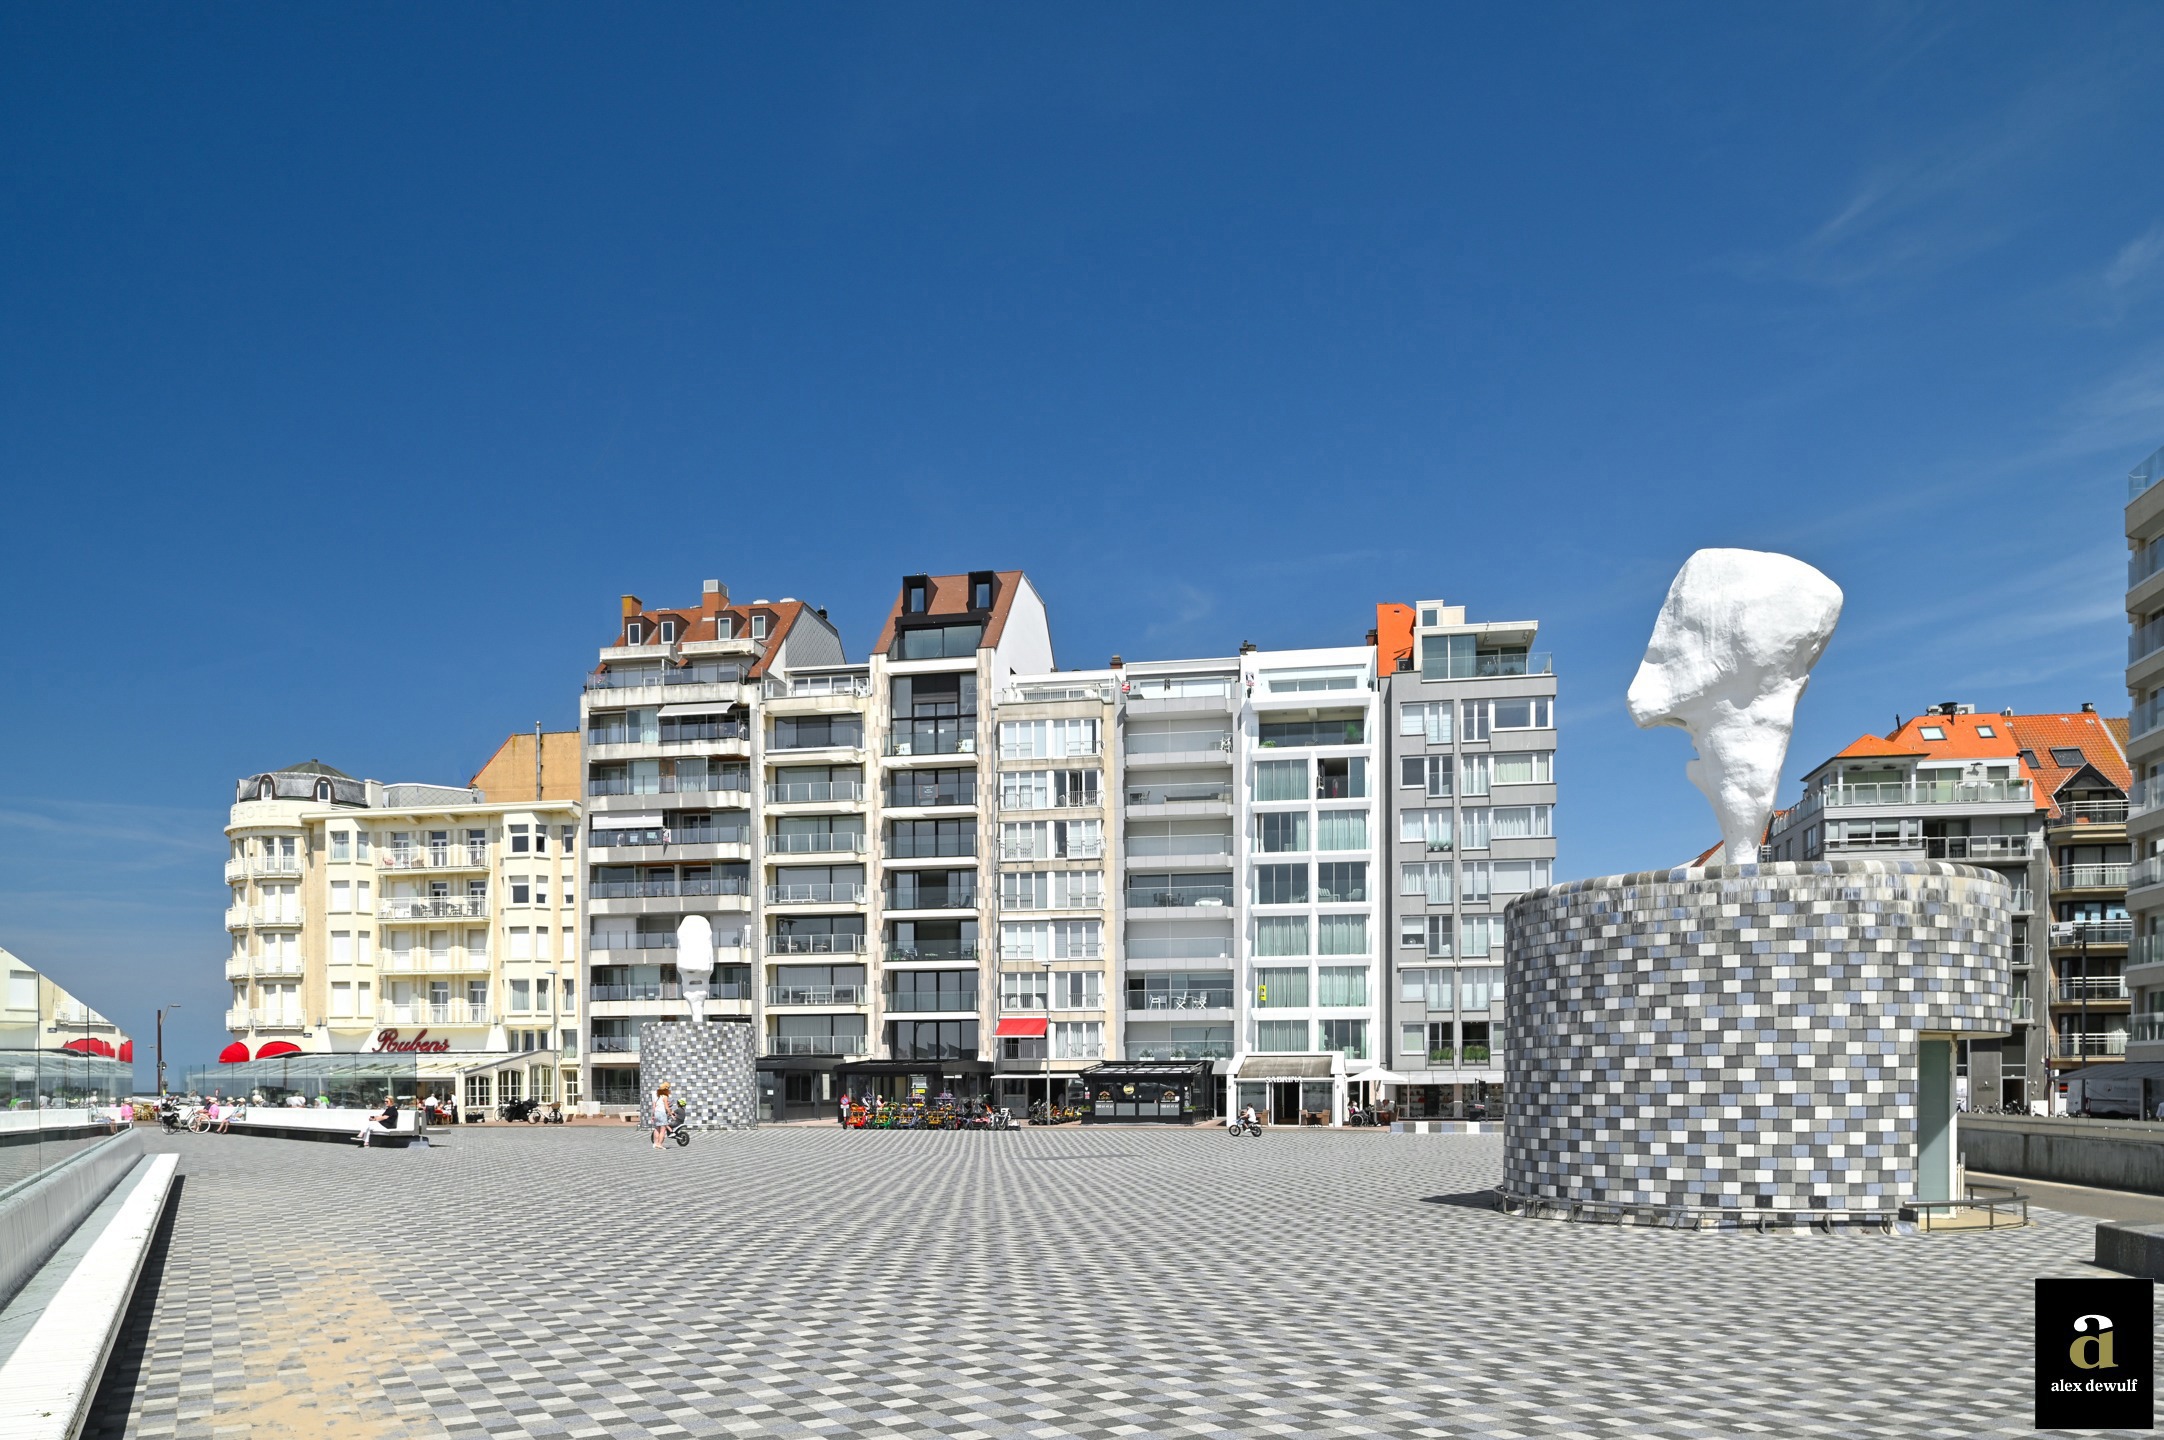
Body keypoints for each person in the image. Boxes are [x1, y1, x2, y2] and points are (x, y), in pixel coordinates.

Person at [651, 1082, 674, 1151]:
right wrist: (671, 1114)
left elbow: (654, 1106)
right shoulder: (664, 1096)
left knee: (656, 1129)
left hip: (656, 1113)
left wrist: (652, 1115)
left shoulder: (656, 1095)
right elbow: (667, 1107)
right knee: (663, 1130)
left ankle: (655, 1143)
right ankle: (660, 1144)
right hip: (662, 1113)